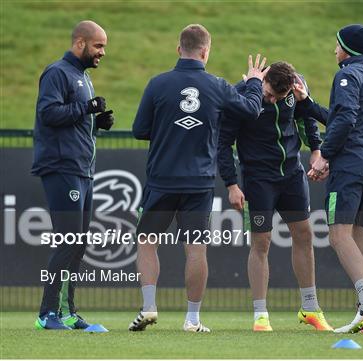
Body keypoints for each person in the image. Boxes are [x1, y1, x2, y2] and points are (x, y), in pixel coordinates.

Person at [129, 24, 267, 333]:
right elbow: (251, 110)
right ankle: (192, 319)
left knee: (147, 242)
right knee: (196, 249)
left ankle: (149, 307)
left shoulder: (157, 84)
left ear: (179, 50)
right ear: (206, 52)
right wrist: (255, 83)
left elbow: (139, 130)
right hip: (199, 182)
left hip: (161, 179)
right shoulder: (216, 85)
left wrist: (168, 127)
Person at [218, 61, 332, 332]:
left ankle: (310, 308)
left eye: (276, 98)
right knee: (261, 242)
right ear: (263, 79)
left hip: (292, 176)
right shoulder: (241, 93)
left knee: (305, 236)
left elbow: (305, 117)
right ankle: (260, 314)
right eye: (267, 95)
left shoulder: (296, 88)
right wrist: (231, 184)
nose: (269, 100)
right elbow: (223, 143)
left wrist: (316, 148)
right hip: (257, 180)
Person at [293, 24, 363, 334]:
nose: (334, 50)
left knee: (338, 235)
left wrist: (325, 155)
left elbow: (345, 120)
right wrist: (307, 102)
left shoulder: (346, 75)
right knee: (360, 239)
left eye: (337, 45)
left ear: (346, 47)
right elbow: (347, 117)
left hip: (351, 167)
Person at [31, 20, 114, 330]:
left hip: (82, 170)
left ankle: (67, 313)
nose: (103, 52)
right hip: (62, 168)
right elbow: (48, 114)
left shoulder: (81, 77)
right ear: (80, 43)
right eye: (99, 46)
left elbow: (74, 121)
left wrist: (97, 123)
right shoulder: (57, 73)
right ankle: (47, 314)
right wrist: (87, 109)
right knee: (68, 240)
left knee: (78, 244)